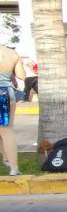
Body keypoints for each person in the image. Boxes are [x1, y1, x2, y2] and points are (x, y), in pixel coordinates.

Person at [0, 45, 24, 176]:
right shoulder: (12, 53)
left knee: (4, 130)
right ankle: (11, 164)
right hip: (6, 92)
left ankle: (10, 162)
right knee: (6, 129)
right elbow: (21, 76)